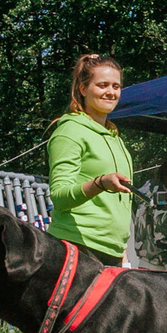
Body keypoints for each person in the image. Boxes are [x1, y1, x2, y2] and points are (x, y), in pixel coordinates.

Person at [46, 53, 135, 264]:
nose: (111, 92)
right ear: (83, 89)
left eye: (116, 86)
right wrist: (100, 183)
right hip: (76, 248)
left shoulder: (115, 138)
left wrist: (122, 251)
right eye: (102, 85)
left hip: (112, 251)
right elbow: (59, 196)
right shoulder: (70, 131)